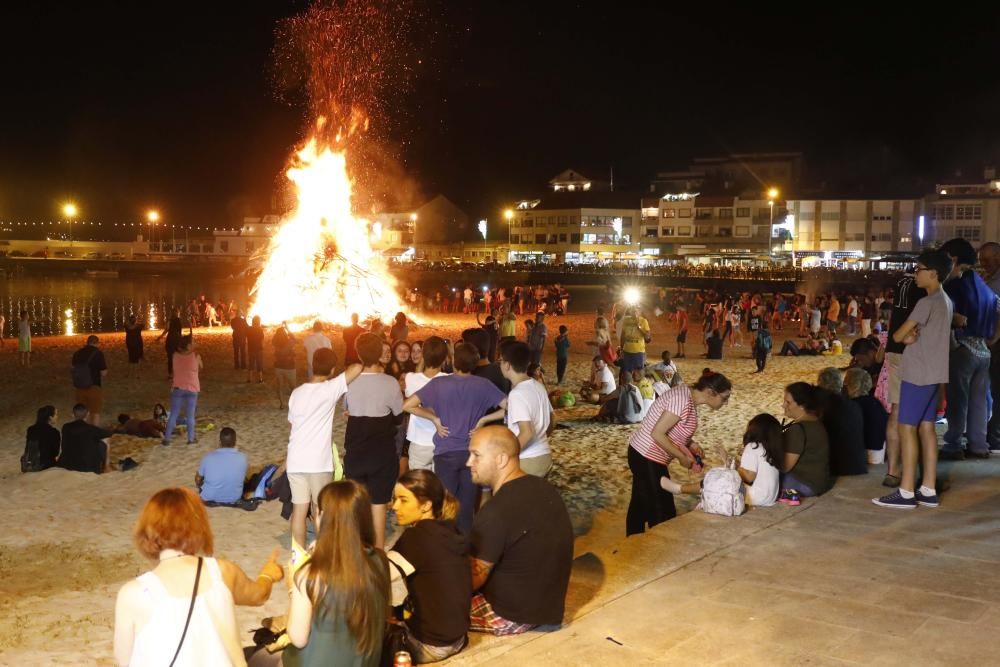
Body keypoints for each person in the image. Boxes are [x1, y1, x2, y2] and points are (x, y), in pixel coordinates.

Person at [114, 487, 284, 667]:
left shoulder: (133, 593)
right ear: (198, 524)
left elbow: (123, 658)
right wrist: (268, 575)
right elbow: (258, 596)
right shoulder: (223, 571)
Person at [467, 426, 573, 634]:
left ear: (501, 459)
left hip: (511, 614)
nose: (469, 463)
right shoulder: (543, 487)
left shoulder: (495, 511)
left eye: (476, 456)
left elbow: (472, 580)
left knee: (425, 609)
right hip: (546, 606)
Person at [874, 250, 953, 509]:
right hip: (935, 373)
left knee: (907, 427)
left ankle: (906, 489)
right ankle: (927, 488)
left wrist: (906, 337)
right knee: (927, 428)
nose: (915, 273)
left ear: (934, 273)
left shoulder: (926, 302)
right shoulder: (946, 300)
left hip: (917, 373)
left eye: (919, 269)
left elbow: (898, 336)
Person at [281, 481, 389, 667]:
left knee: (257, 656)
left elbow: (297, 638)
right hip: (365, 661)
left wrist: (293, 586)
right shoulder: (380, 560)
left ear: (323, 518)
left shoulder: (310, 573)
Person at [404, 343, 507, 534]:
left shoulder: (439, 384)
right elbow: (509, 405)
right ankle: (464, 550)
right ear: (474, 364)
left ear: (453, 361)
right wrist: (483, 420)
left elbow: (408, 405)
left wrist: (434, 419)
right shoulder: (483, 385)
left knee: (446, 507)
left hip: (445, 454)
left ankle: (446, 547)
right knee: (466, 507)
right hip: (472, 454)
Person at [626, 370, 732, 535]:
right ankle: (655, 550)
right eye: (724, 398)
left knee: (640, 505)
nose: (725, 403)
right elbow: (657, 433)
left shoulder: (687, 398)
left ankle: (631, 544)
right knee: (662, 512)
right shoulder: (681, 399)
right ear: (711, 392)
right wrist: (681, 457)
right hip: (646, 455)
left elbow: (673, 430)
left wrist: (691, 445)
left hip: (645, 455)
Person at [389, 470, 471, 662]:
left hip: (430, 645)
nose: (395, 506)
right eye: (395, 499)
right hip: (457, 638)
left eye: (403, 500)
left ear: (426, 505)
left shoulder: (416, 538)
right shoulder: (450, 530)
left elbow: (375, 575)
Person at [285, 347, 362, 549]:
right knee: (321, 510)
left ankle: (298, 556)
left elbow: (292, 422)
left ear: (312, 365)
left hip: (295, 459)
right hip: (318, 461)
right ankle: (324, 553)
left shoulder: (297, 392)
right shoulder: (330, 388)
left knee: (299, 512)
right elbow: (357, 368)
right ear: (332, 369)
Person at [939, 238, 999, 460]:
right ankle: (978, 445)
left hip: (962, 346)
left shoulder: (955, 284)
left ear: (953, 259)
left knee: (958, 401)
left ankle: (953, 444)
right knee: (979, 401)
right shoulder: (986, 287)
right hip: (983, 348)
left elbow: (947, 315)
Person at [344, 333, 404, 549]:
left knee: (356, 504)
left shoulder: (349, 382)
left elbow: (347, 409)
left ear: (358, 352)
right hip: (382, 452)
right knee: (378, 504)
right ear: (380, 352)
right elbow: (398, 417)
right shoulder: (390, 383)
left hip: (356, 450)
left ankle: (356, 549)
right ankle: (378, 552)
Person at [659, 413, 782, 508]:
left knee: (714, 480)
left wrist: (729, 465)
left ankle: (679, 489)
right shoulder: (769, 449)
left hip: (756, 498)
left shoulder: (753, 446)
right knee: (722, 476)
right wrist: (731, 463)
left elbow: (748, 477)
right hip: (770, 498)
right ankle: (683, 490)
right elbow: (751, 472)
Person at [500, 341, 555, 477]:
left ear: (507, 365)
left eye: (500, 361)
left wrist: (506, 455)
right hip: (544, 455)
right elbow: (553, 419)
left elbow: (527, 433)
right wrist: (541, 441)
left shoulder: (517, 393)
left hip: (528, 460)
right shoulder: (538, 386)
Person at [404, 337, 450, 473]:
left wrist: (424, 360)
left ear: (423, 355)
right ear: (444, 358)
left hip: (419, 441)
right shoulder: (450, 379)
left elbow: (417, 379)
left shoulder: (411, 378)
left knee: (419, 486)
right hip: (443, 440)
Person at [780, 382, 831, 499]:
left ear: (802, 405)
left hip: (805, 484)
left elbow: (785, 466)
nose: (783, 405)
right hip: (820, 482)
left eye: (788, 402)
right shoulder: (816, 421)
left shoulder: (798, 429)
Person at [815, 367, 867, 476]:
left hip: (837, 467)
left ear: (820, 384)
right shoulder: (853, 405)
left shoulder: (823, 407)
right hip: (857, 464)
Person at [978, 241, 1000, 452]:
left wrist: (995, 336)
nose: (983, 264)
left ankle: (994, 437)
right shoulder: (989, 279)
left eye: (987, 260)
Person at [163, 335, 203, 447]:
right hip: (192, 387)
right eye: (193, 342)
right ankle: (191, 439)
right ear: (189, 345)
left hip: (178, 388)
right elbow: (201, 367)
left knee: (174, 414)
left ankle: (167, 439)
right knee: (190, 415)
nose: (195, 343)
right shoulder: (195, 355)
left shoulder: (175, 356)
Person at [845, 367, 888, 464]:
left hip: (862, 453)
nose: (844, 386)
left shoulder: (852, 405)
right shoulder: (876, 403)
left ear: (854, 386)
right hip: (878, 452)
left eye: (847, 383)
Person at [196, 427, 248, 505]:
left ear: (220, 442)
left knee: (201, 475)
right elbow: (242, 479)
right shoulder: (243, 458)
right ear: (235, 441)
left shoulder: (208, 457)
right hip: (234, 497)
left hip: (209, 497)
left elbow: (198, 479)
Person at [60, 403, 113, 474]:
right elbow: (109, 434)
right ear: (88, 414)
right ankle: (106, 467)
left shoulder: (66, 427)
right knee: (104, 443)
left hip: (68, 465)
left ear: (72, 414)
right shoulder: (93, 429)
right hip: (89, 468)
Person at [71, 334, 108, 426]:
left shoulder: (77, 353)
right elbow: (103, 372)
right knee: (95, 412)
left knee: (82, 412)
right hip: (94, 386)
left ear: (87, 343)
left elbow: (73, 368)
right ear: (97, 343)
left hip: (79, 386)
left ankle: (82, 432)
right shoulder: (98, 353)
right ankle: (94, 433)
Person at [24, 405, 61, 471]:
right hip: (46, 465)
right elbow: (55, 452)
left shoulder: (31, 429)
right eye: (56, 414)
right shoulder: (54, 432)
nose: (57, 417)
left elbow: (27, 448)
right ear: (50, 417)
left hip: (30, 464)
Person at [272, 323, 297, 409]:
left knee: (280, 386)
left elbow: (274, 339)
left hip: (278, 367)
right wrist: (287, 328)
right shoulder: (289, 343)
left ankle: (282, 404)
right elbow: (295, 339)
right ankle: (294, 403)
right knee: (293, 386)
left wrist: (280, 330)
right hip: (289, 367)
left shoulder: (275, 343)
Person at [619, 307, 651, 372]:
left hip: (638, 351)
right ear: (630, 312)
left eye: (636, 311)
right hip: (627, 350)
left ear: (640, 312)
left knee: (638, 372)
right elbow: (622, 336)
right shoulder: (626, 320)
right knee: (626, 372)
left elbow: (647, 336)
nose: (634, 313)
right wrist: (621, 349)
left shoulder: (643, 321)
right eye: (633, 311)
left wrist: (639, 326)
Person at [157, 306, 184, 378]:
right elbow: (178, 332)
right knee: (173, 357)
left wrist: (160, 337)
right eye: (176, 312)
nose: (176, 313)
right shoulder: (176, 320)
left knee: (171, 358)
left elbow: (167, 330)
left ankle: (171, 374)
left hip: (171, 340)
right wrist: (160, 337)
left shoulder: (172, 320)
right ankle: (172, 373)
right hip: (173, 340)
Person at [124, 314, 144, 380]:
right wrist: (138, 320)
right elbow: (142, 324)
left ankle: (129, 373)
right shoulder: (138, 327)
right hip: (137, 344)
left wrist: (131, 322)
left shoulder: (127, 327)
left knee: (130, 358)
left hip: (130, 344)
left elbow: (126, 323)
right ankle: (137, 374)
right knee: (137, 359)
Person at [246, 315, 265, 384]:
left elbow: (247, 337)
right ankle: (260, 379)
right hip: (259, 349)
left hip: (251, 348)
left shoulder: (249, 329)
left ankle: (249, 379)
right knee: (259, 364)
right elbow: (262, 339)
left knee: (251, 363)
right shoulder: (260, 329)